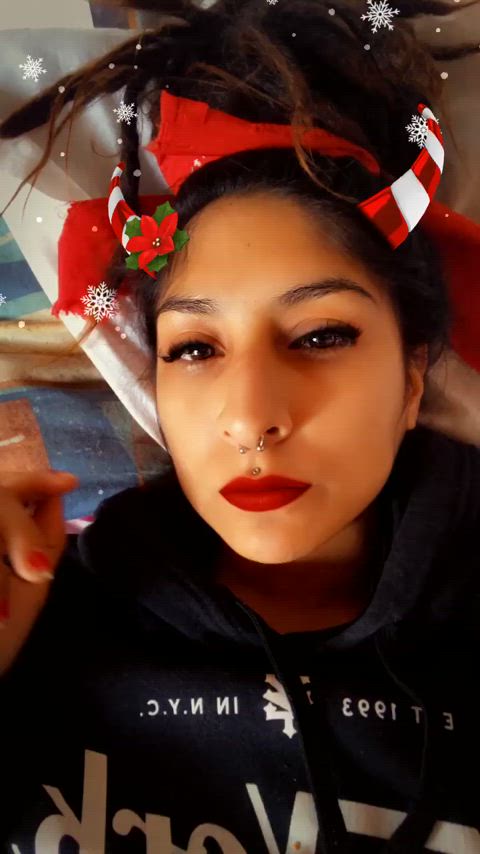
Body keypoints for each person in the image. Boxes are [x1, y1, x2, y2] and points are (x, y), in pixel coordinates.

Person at [0, 0, 479, 851]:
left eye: (321, 336)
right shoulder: (33, 625)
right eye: (194, 349)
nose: (251, 420)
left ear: (414, 377)